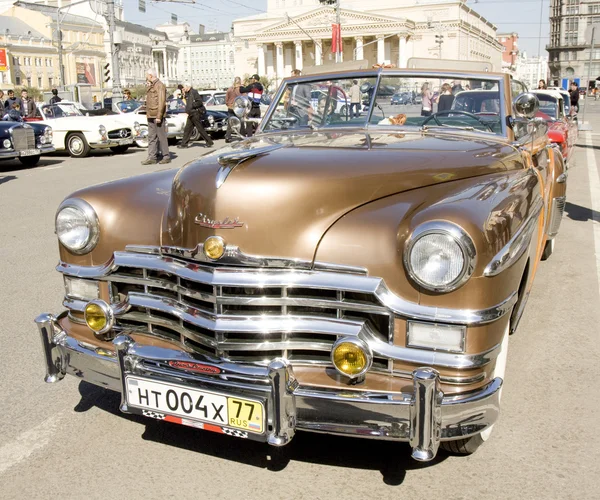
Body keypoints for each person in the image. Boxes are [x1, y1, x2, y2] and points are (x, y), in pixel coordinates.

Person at [142, 68, 170, 165]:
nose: (146, 77)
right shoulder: (151, 85)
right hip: (150, 114)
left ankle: (166, 156)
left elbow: (162, 101)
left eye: (147, 75)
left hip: (157, 115)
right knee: (151, 137)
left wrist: (159, 116)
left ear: (150, 75)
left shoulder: (159, 85)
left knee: (161, 136)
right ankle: (152, 157)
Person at [177, 83, 214, 149]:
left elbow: (199, 102)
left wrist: (192, 105)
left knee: (200, 128)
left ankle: (209, 142)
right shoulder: (187, 93)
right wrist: (183, 93)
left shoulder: (194, 92)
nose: (184, 88)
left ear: (188, 87)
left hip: (195, 113)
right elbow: (183, 99)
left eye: (185, 87)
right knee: (187, 129)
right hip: (190, 114)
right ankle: (184, 144)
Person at [225, 76, 242, 143]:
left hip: (230, 107)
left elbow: (226, 101)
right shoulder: (240, 90)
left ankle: (228, 136)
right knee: (240, 122)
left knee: (230, 122)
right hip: (238, 108)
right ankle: (240, 136)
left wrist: (229, 105)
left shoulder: (229, 89)